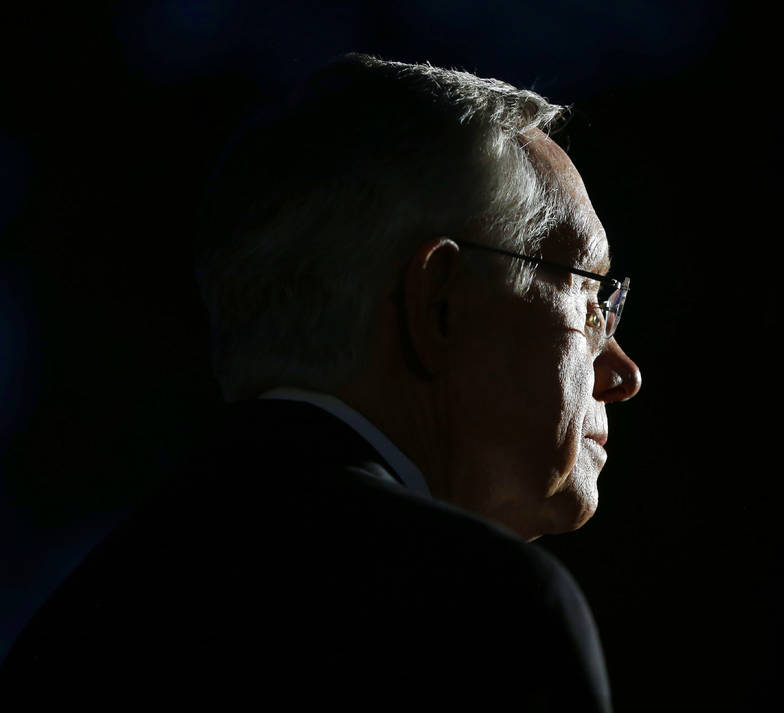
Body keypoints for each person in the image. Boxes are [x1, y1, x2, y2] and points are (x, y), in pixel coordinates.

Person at [0, 53, 640, 709]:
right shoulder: (489, 612)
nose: (624, 372)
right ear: (441, 303)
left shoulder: (69, 628)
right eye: (590, 299)